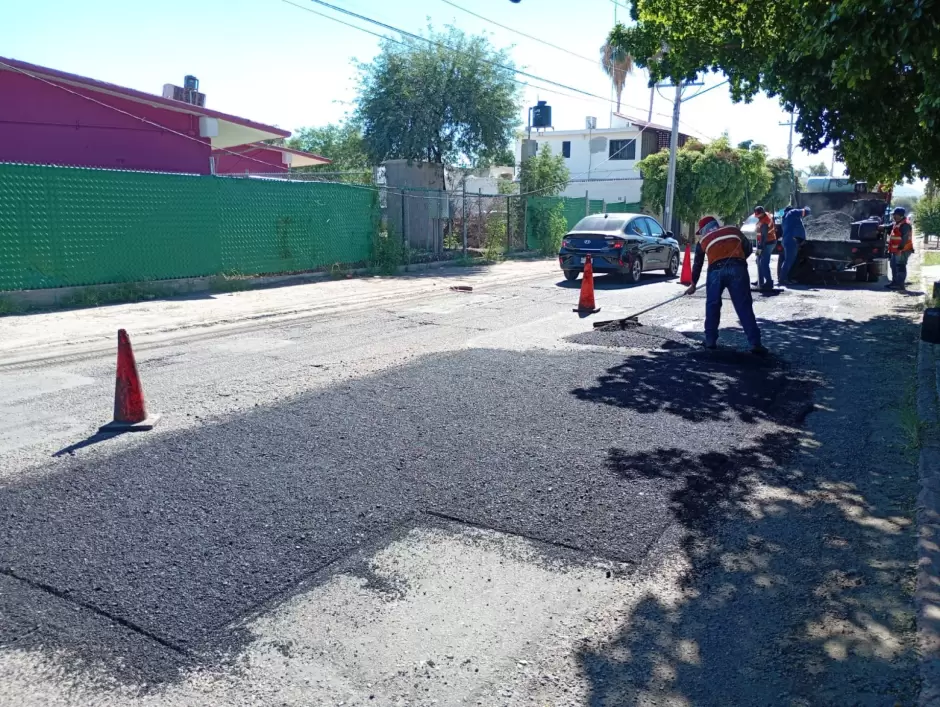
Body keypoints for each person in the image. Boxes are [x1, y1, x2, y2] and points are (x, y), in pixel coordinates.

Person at [685, 216, 767, 355]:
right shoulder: (733, 230)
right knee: (744, 305)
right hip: (738, 268)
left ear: (705, 229)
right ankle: (755, 343)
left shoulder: (704, 240)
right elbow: (747, 249)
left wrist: (693, 284)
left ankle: (710, 341)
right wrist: (737, 261)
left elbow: (697, 263)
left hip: (715, 271)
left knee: (712, 305)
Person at [780, 205, 812, 284]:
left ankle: (786, 278)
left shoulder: (785, 218)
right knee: (788, 261)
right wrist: (807, 206)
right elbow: (806, 211)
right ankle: (783, 279)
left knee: (789, 260)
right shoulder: (792, 213)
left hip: (787, 241)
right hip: (791, 241)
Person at [887, 206, 914, 290]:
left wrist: (900, 249)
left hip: (903, 249)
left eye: (895, 215)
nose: (893, 216)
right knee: (893, 265)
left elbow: (905, 238)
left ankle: (900, 284)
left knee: (900, 266)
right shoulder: (898, 223)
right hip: (896, 249)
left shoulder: (905, 224)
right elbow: (890, 228)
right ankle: (895, 282)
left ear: (900, 215)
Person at [753, 205, 777, 291]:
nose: (757, 217)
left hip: (767, 244)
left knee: (763, 262)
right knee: (757, 260)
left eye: (758, 216)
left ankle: (769, 283)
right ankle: (760, 280)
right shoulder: (764, 216)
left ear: (762, 213)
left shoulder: (765, 222)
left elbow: (764, 237)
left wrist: (760, 248)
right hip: (762, 243)